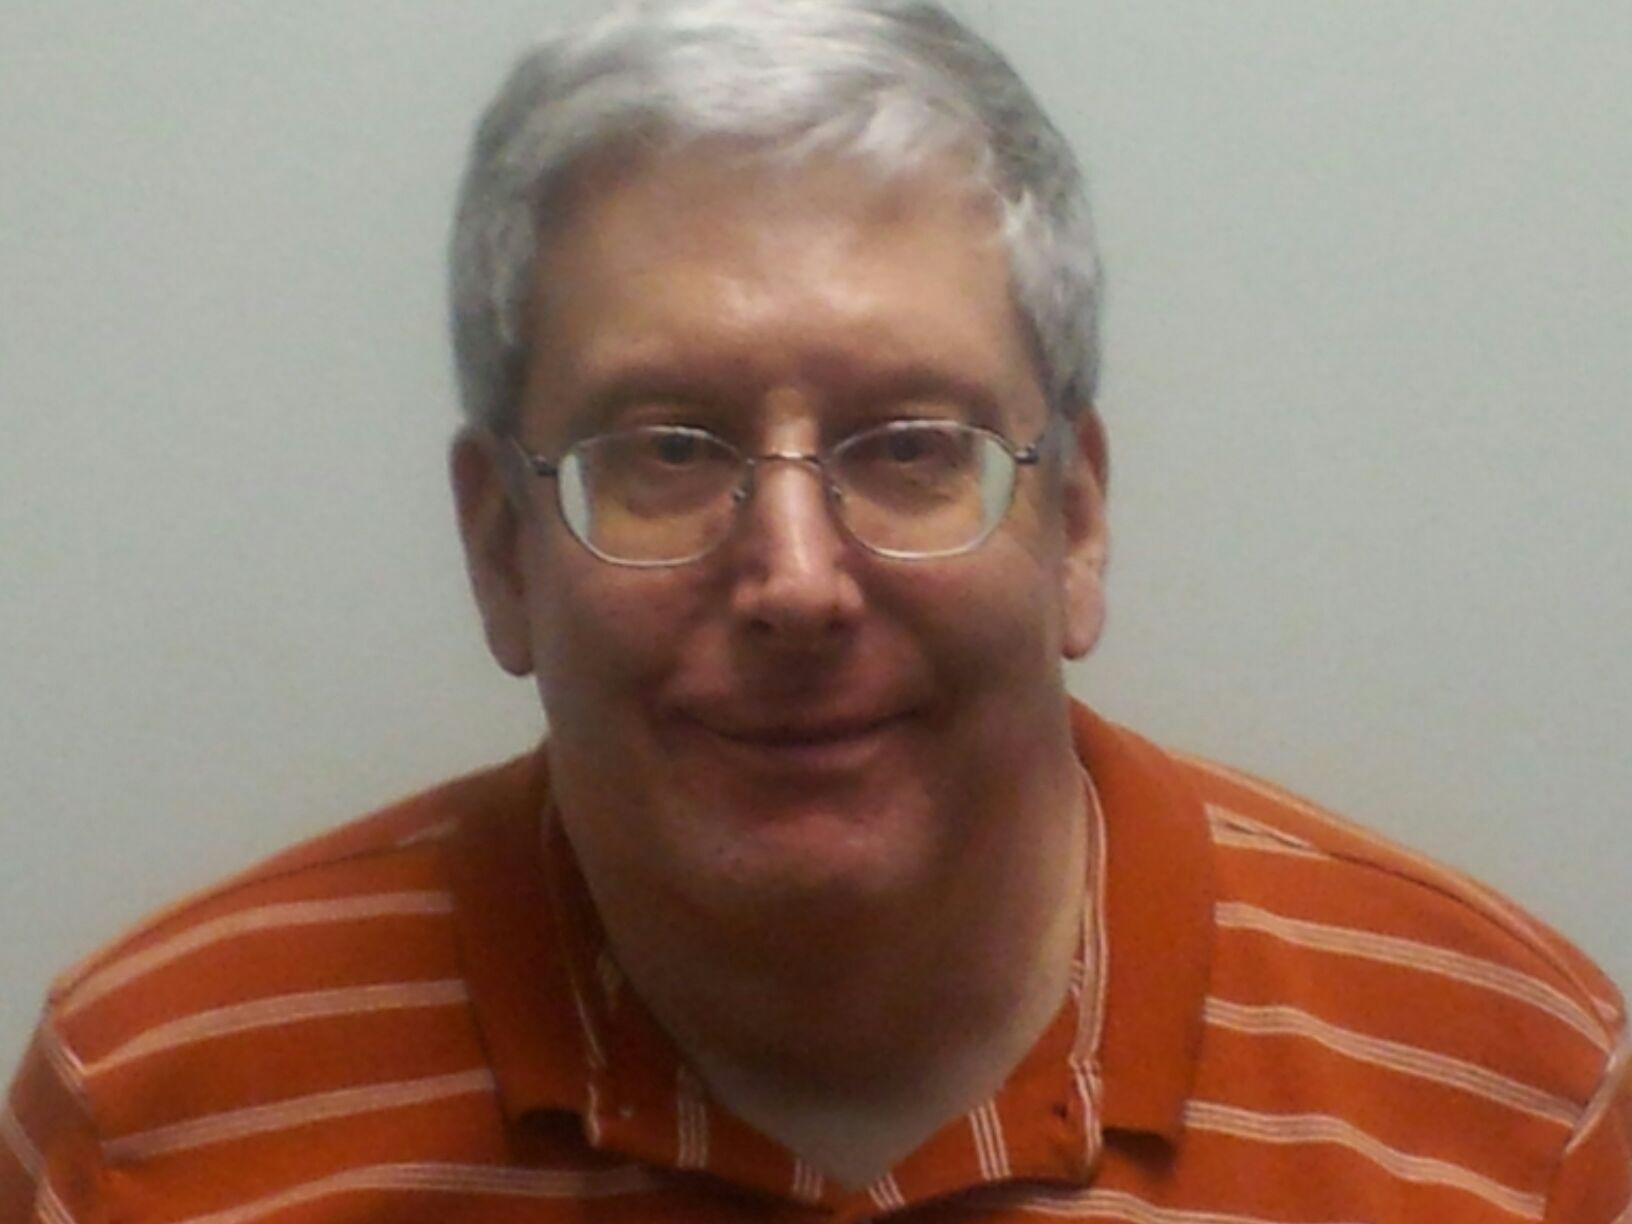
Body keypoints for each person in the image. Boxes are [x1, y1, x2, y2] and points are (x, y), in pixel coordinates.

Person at [3, 1, 1627, 1220]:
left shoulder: (1512, 1110)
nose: (793, 579)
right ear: (501, 547)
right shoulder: (152, 1125)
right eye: (668, 449)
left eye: (909, 445)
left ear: (1074, 520)